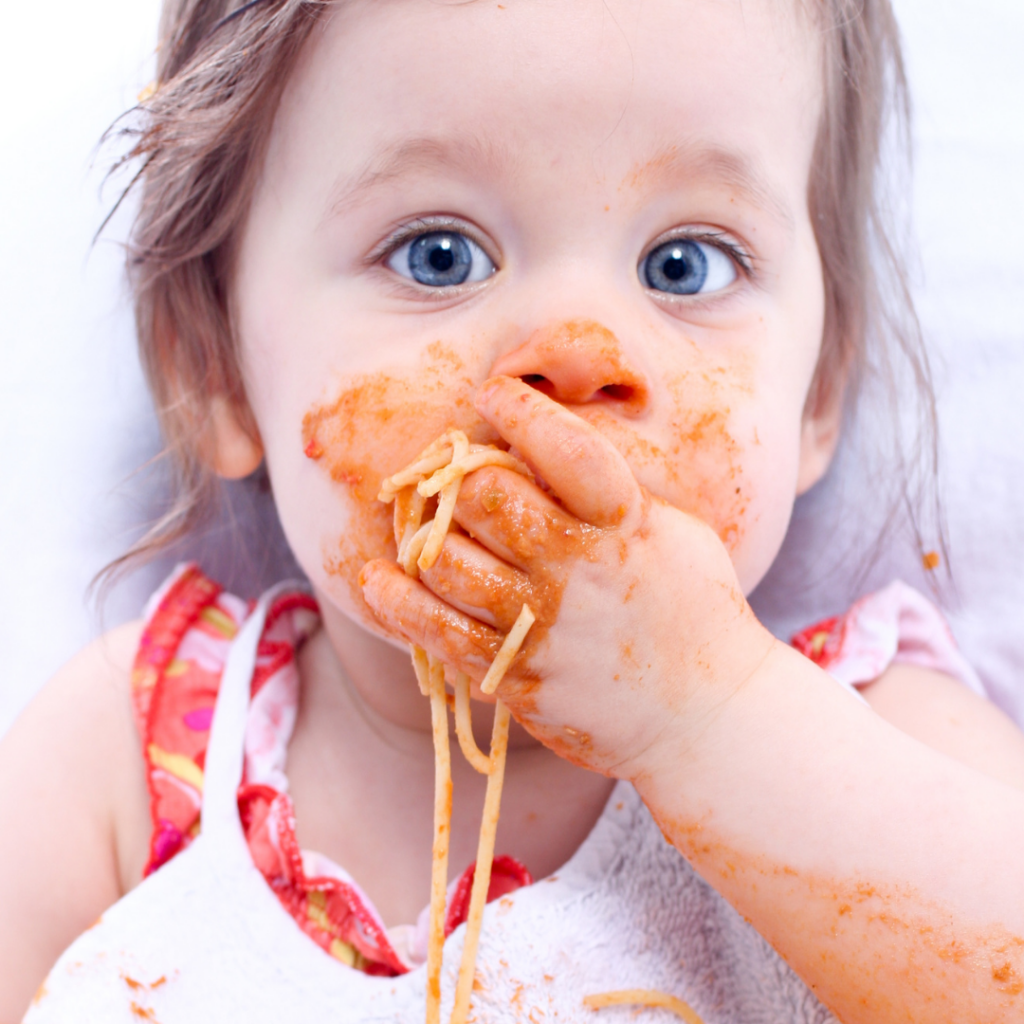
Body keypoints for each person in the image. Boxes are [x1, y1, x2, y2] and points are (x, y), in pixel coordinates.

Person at [4, 0, 1024, 1020]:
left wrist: (708, 713)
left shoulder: (876, 737)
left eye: (685, 265)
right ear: (216, 373)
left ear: (815, 396)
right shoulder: (131, 757)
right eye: (436, 253)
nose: (575, 351)